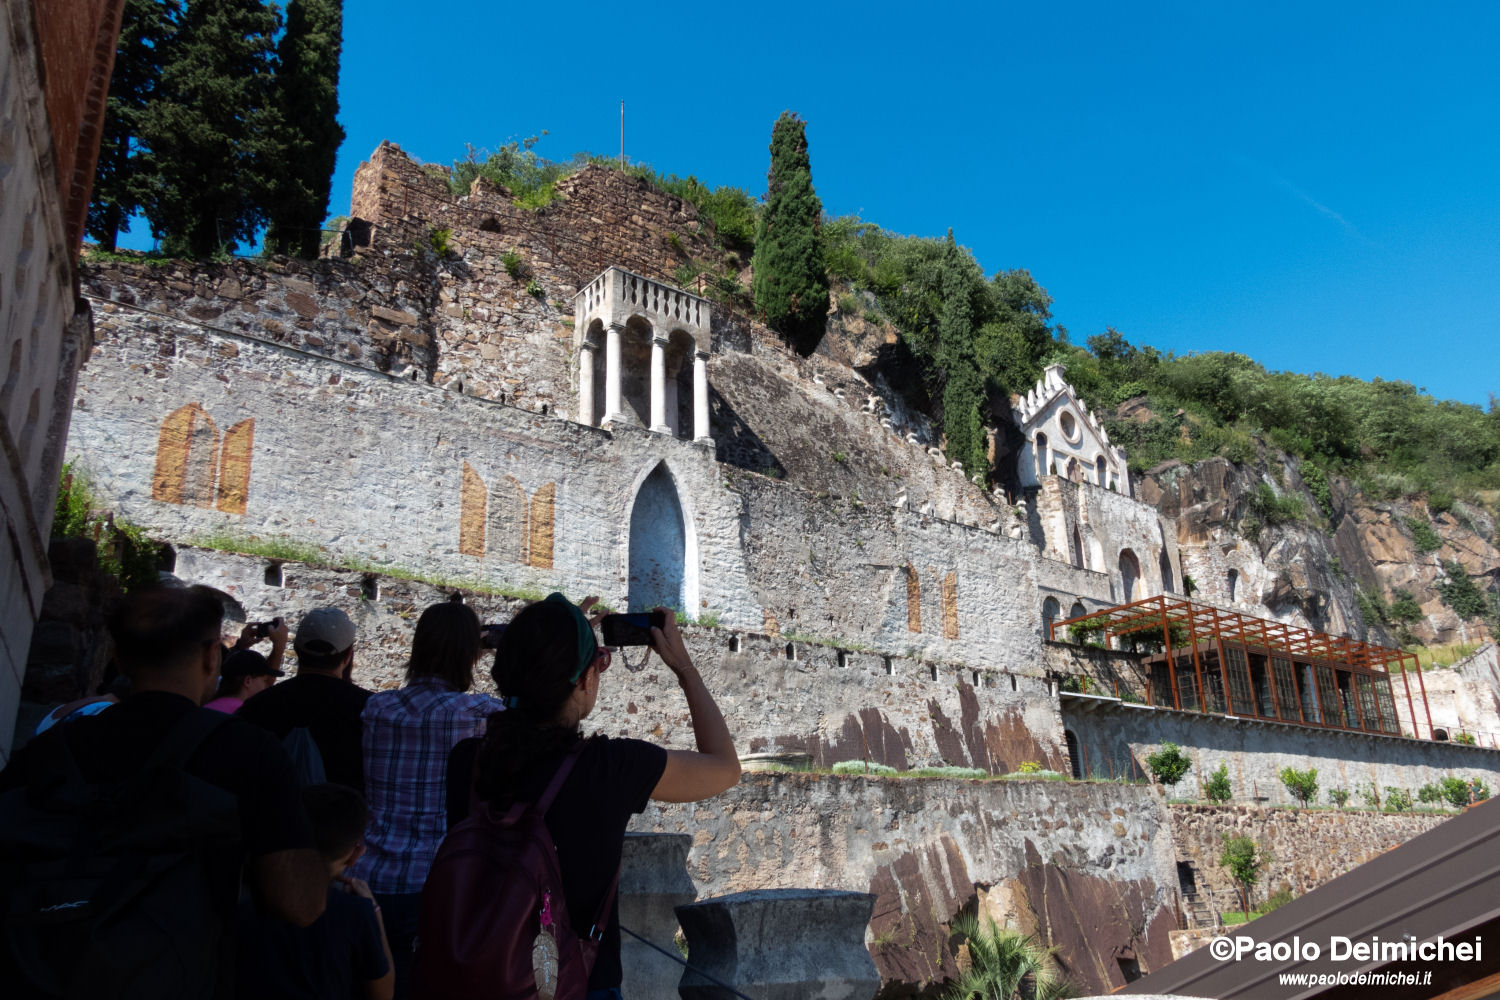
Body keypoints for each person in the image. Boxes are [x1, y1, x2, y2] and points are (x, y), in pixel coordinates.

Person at [0, 584, 326, 997]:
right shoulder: (249, 752)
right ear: (212, 657)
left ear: (118, 658)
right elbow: (299, 903)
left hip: (37, 969)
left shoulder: (52, 747)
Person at [442, 594, 740, 1000]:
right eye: (598, 661)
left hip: (479, 976)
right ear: (584, 680)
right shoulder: (610, 768)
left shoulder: (465, 764)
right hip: (579, 982)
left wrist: (558, 641)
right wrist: (684, 668)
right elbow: (725, 767)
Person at [353, 600, 506, 997]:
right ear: (471, 655)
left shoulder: (376, 708)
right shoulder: (480, 713)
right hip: (437, 885)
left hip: (371, 880)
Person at [236, 783, 395, 1000]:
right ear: (355, 854)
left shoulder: (249, 901)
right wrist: (375, 911)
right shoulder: (357, 912)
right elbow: (383, 993)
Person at [239, 606, 371, 791]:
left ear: (296, 649)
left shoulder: (256, 706)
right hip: (345, 816)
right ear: (348, 656)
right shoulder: (372, 711)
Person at [205, 649, 285, 714]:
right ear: (248, 681)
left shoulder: (205, 707)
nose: (266, 686)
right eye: (264, 680)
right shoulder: (247, 715)